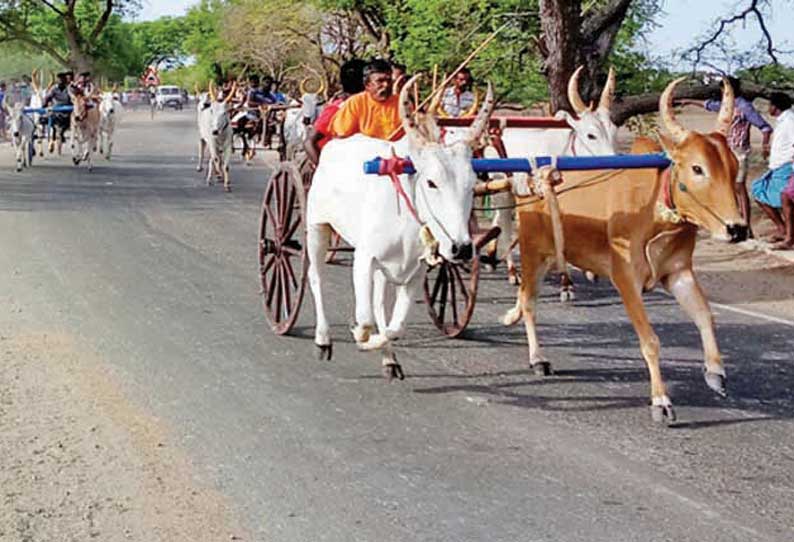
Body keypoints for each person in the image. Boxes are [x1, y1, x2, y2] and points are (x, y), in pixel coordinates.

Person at [678, 77, 773, 235]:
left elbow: (765, 127)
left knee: (739, 187)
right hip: (724, 152)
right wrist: (688, 101)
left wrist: (765, 145)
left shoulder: (744, 106)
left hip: (739, 151)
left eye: (724, 91)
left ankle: (747, 226)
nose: (723, 94)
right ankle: (735, 222)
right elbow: (708, 105)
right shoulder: (725, 106)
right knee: (728, 187)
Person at [304, 58, 366, 165]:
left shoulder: (371, 107)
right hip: (337, 164)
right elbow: (309, 142)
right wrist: (324, 170)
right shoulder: (336, 109)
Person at [750, 92, 794, 242]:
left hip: (786, 166)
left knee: (785, 200)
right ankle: (783, 229)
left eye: (770, 105)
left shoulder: (790, 121)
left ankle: (788, 234)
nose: (769, 108)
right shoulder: (783, 120)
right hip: (777, 167)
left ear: (775, 107)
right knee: (759, 191)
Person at [330, 58, 402, 141]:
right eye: (380, 81)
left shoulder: (401, 102)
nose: (386, 85)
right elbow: (341, 137)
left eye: (389, 81)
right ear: (367, 84)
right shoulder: (355, 103)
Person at [43, 72, 74, 151]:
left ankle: (61, 133)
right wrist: (44, 105)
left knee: (71, 120)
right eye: (59, 80)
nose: (60, 81)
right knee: (49, 119)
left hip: (67, 109)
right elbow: (47, 98)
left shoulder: (69, 88)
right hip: (56, 109)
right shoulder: (54, 88)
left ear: (65, 80)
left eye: (62, 80)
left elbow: (73, 97)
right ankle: (53, 138)